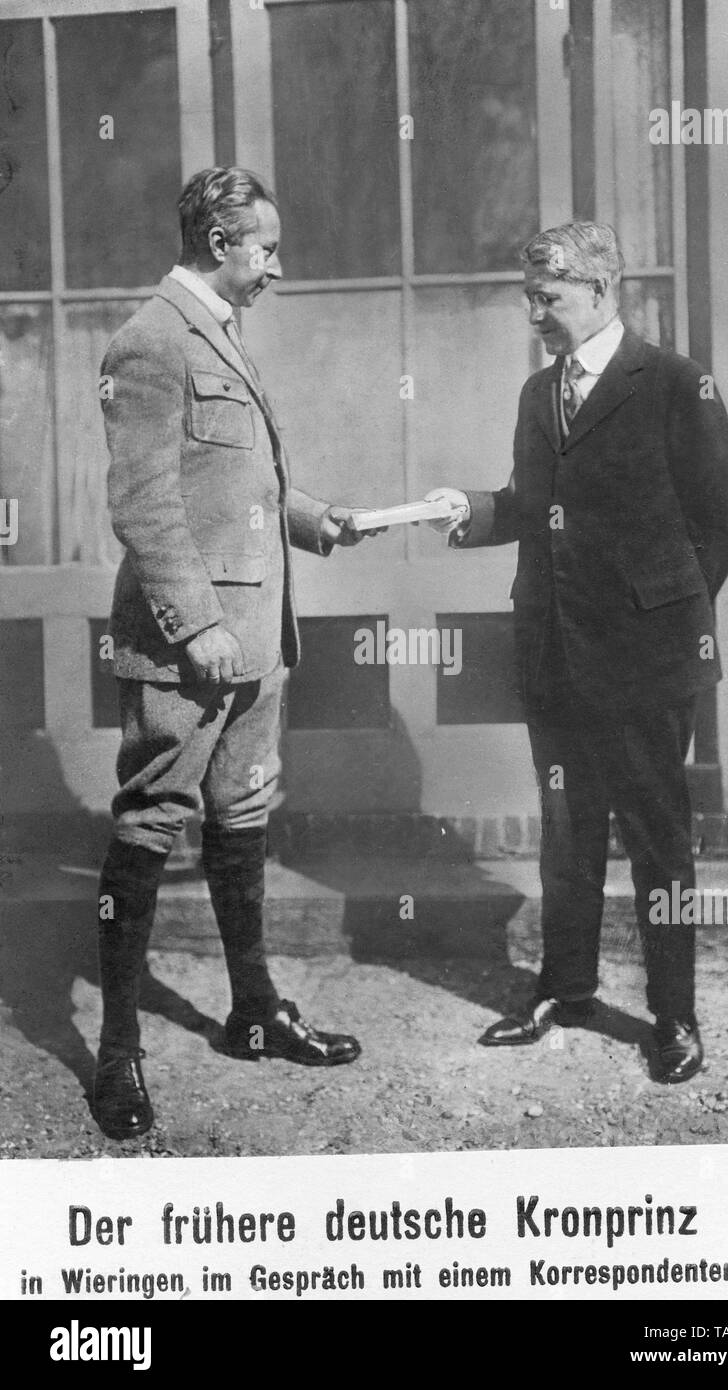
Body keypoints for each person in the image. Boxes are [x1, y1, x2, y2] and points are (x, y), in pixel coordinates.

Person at [94, 167, 383, 1141]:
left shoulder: (217, 331)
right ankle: (118, 1049)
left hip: (256, 639)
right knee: (148, 822)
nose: (276, 265)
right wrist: (196, 622)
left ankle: (253, 1010)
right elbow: (142, 501)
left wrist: (318, 520)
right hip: (187, 648)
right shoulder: (151, 337)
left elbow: (230, 481)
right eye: (264, 247)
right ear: (220, 242)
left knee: (242, 811)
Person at [426, 221, 728, 1084]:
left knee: (656, 838)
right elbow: (534, 506)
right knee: (567, 831)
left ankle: (673, 1018)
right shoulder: (540, 394)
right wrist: (468, 511)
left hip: (647, 659)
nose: (535, 312)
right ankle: (563, 992)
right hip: (555, 651)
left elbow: (724, 522)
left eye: (550, 297)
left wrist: (662, 616)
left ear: (602, 293)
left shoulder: (677, 384)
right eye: (530, 297)